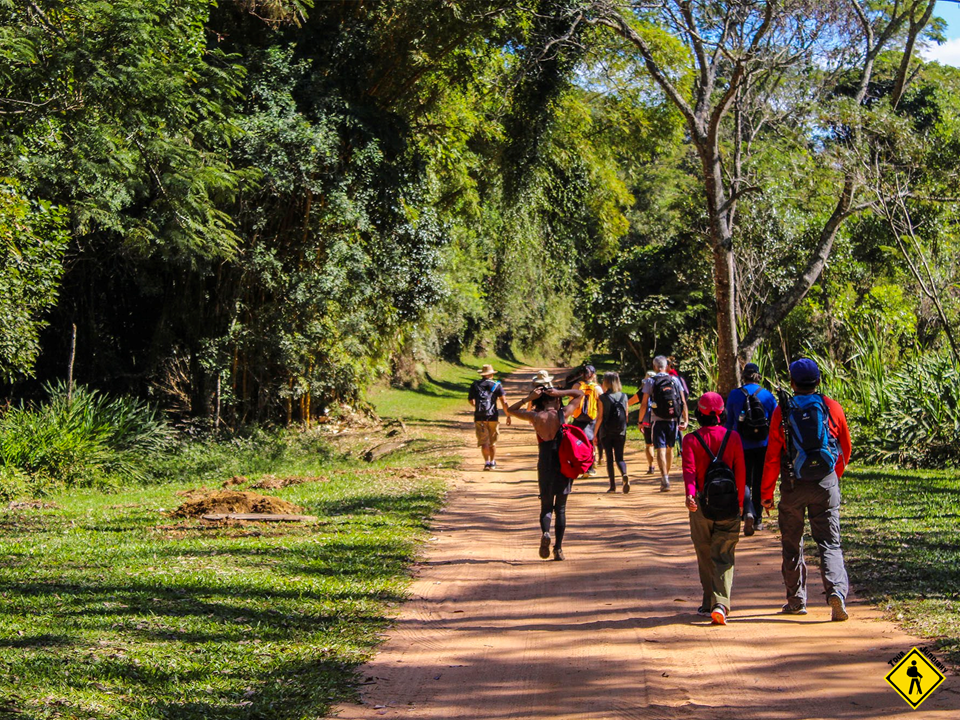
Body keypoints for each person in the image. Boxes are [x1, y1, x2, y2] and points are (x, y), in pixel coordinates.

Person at [761, 358, 853, 621]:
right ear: (819, 381)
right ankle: (836, 592)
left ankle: (796, 600)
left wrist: (766, 494)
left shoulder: (782, 411)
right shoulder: (831, 407)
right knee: (829, 543)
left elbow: (772, 456)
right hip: (825, 483)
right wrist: (834, 476)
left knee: (792, 544)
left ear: (792, 383)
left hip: (793, 485)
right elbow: (845, 447)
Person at [681, 392, 746, 625]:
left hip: (701, 504)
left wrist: (690, 495)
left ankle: (710, 601)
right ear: (722, 413)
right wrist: (739, 503)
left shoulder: (690, 440)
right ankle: (720, 603)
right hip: (729, 503)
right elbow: (740, 472)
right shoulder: (734, 437)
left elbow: (689, 470)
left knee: (704, 552)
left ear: (699, 413)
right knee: (724, 553)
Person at [507, 384, 585, 561]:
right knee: (562, 508)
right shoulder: (562, 414)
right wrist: (561, 392)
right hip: (563, 462)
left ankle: (545, 532)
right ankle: (558, 549)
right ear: (557, 400)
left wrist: (528, 399)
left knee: (546, 506)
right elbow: (580, 394)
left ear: (539, 401)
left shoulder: (535, 416)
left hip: (545, 463)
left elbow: (510, 410)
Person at [725, 362, 777, 536]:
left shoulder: (734, 395)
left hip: (740, 444)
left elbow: (729, 423)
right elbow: (776, 422)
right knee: (759, 480)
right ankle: (759, 520)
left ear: (743, 376)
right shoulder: (768, 396)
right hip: (763, 444)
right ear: (758, 376)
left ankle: (748, 512)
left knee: (744, 480)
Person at [631, 356, 688, 491]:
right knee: (670, 448)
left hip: (657, 419)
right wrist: (685, 421)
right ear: (666, 366)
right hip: (673, 420)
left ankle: (664, 478)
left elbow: (644, 403)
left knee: (660, 449)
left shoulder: (651, 381)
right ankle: (666, 474)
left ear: (655, 367)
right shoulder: (675, 380)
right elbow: (683, 401)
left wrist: (640, 421)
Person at [467, 364, 510, 471]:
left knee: (484, 442)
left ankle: (486, 463)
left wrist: (476, 407)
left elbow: (470, 400)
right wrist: (508, 415)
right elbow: (504, 402)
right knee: (492, 442)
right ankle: (493, 462)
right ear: (491, 374)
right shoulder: (497, 385)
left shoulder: (475, 385)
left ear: (482, 374)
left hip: (479, 417)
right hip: (493, 416)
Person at [594, 371, 630, 493]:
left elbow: (600, 417)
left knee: (609, 458)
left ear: (606, 382)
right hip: (621, 431)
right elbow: (626, 416)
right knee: (620, 457)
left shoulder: (603, 398)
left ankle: (612, 486)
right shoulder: (624, 396)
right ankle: (624, 473)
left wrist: (595, 434)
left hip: (606, 431)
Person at [570, 365, 602, 476]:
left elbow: (571, 401)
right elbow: (601, 404)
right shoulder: (597, 388)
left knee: (577, 442)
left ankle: (578, 465)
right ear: (593, 375)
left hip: (578, 418)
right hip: (592, 419)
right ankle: (590, 467)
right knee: (591, 442)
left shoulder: (576, 386)